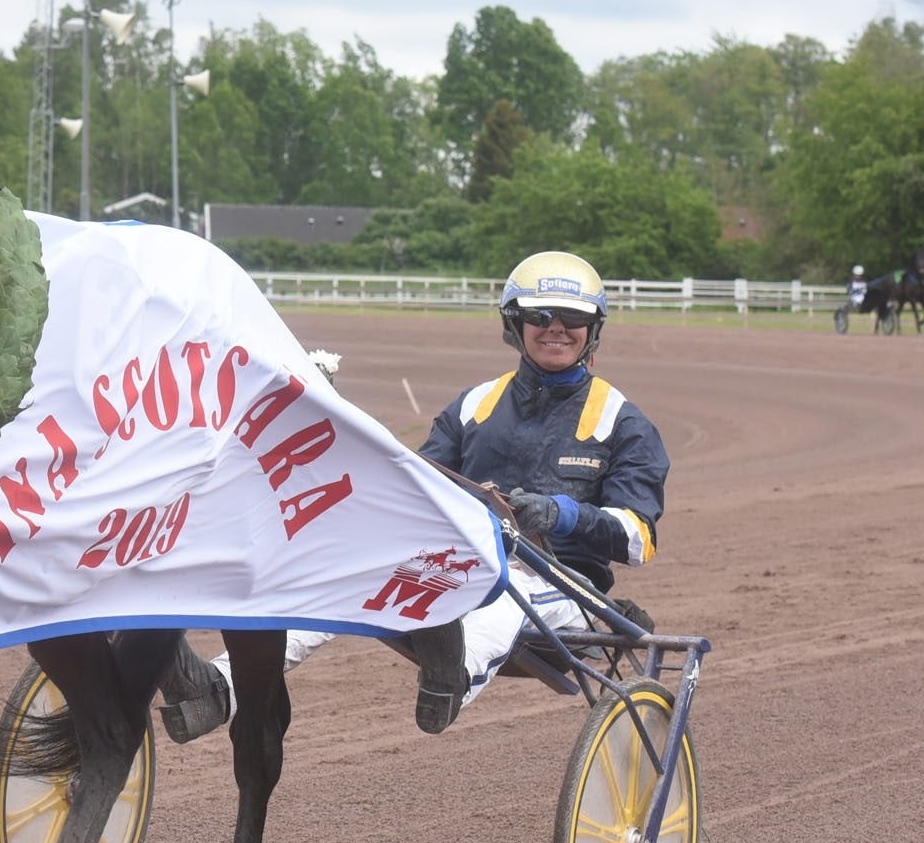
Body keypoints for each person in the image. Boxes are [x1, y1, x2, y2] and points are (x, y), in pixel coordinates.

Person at [159, 249, 670, 742]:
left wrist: (561, 514)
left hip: (564, 585)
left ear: (592, 328)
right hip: (461, 563)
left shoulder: (622, 423)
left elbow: (636, 538)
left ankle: (452, 672)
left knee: (502, 585)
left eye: (572, 317)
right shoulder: (474, 406)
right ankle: (217, 689)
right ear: (515, 324)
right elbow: (415, 483)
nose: (556, 327)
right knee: (335, 576)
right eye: (540, 314)